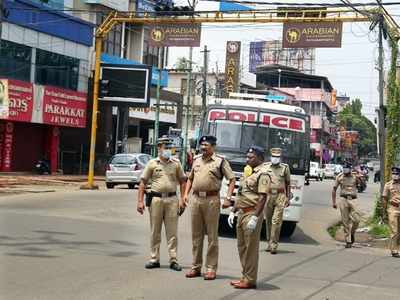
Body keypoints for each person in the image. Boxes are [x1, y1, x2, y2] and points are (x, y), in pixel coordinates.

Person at [183, 135, 235, 280]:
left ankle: (211, 268)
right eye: (202, 145)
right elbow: (190, 178)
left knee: (212, 236)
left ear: (213, 147)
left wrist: (228, 198)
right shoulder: (196, 160)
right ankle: (195, 267)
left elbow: (232, 179)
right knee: (196, 235)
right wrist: (185, 194)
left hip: (212, 200)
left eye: (206, 145)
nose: (203, 147)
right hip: (196, 199)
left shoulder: (220, 161)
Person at [137, 137, 187, 271]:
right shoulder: (152, 163)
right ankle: (154, 259)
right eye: (165, 147)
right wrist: (140, 201)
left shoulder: (176, 163)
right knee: (155, 231)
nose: (168, 150)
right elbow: (143, 182)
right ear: (159, 148)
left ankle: (173, 259)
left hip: (172, 200)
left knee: (172, 232)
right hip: (156, 200)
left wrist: (183, 199)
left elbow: (183, 181)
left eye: (170, 147)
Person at [227, 146, 270, 289]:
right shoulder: (248, 172)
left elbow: (263, 198)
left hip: (252, 213)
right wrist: (233, 211)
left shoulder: (263, 174)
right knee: (242, 247)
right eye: (247, 157)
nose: (247, 159)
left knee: (250, 248)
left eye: (250, 157)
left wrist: (255, 218)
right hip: (242, 212)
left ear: (259, 158)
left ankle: (250, 279)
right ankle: (245, 275)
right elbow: (241, 194)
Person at [264, 148, 291, 254]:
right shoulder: (265, 167)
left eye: (277, 157)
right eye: (273, 156)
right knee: (268, 221)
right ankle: (269, 242)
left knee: (276, 221)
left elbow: (288, 183)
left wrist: (288, 197)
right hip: (268, 196)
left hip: (280, 196)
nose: (275, 158)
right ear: (271, 157)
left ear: (280, 158)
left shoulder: (285, 168)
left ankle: (274, 245)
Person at [332, 161, 361, 248]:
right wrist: (333, 202)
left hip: (353, 199)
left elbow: (360, 185)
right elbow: (334, 189)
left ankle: (352, 233)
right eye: (344, 168)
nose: (345, 169)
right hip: (343, 199)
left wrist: (359, 178)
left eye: (347, 168)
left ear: (350, 168)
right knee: (345, 221)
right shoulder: (339, 177)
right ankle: (348, 240)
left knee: (356, 220)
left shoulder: (355, 176)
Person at [382, 166, 400, 257]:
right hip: (393, 209)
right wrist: (384, 211)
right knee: (394, 230)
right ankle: (394, 250)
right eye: (393, 173)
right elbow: (384, 198)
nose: (395, 175)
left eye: (397, 174)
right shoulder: (388, 185)